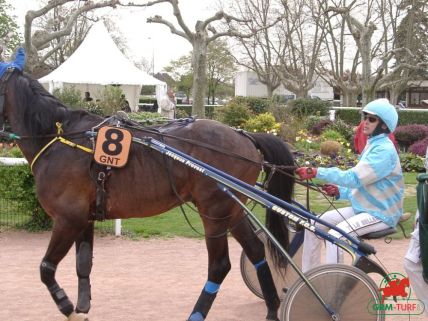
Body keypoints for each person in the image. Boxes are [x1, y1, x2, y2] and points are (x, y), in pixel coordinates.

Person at [295, 98, 404, 272]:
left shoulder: (384, 151)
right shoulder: (373, 145)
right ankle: (310, 278)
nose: (365, 122)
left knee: (337, 235)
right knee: (314, 224)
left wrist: (317, 172)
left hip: (381, 213)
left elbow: (354, 178)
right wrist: (340, 192)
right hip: (364, 208)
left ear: (384, 125)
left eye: (372, 119)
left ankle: (335, 285)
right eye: (365, 117)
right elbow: (363, 184)